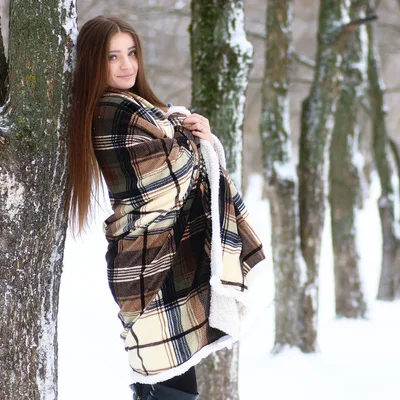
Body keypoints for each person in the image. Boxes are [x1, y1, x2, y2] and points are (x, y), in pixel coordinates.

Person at [67, 16, 265, 400]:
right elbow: (171, 180)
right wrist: (193, 135)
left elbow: (180, 160)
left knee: (167, 380)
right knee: (166, 381)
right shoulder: (112, 113)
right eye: (112, 57)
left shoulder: (143, 109)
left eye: (131, 53)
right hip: (148, 262)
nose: (126, 65)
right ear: (94, 62)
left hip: (164, 256)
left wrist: (192, 132)